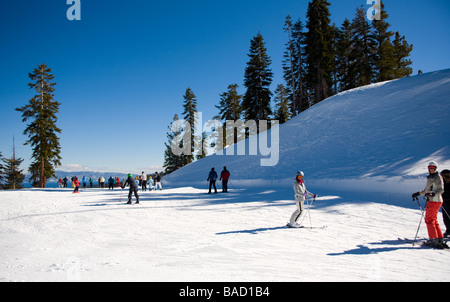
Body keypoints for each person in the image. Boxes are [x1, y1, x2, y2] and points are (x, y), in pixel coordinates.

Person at [412, 162, 448, 249]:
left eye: (433, 168)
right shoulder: (430, 177)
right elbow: (427, 190)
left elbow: (441, 190)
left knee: (429, 220)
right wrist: (418, 193)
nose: (431, 169)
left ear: (436, 169)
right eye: (430, 168)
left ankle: (433, 239)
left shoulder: (437, 177)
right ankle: (439, 239)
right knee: (433, 219)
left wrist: (432, 194)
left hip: (434, 201)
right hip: (434, 201)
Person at [440, 169, 450, 238]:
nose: (445, 178)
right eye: (443, 176)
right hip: (444, 202)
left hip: (448, 201)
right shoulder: (442, 184)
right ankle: (448, 230)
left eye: (447, 176)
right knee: (445, 217)